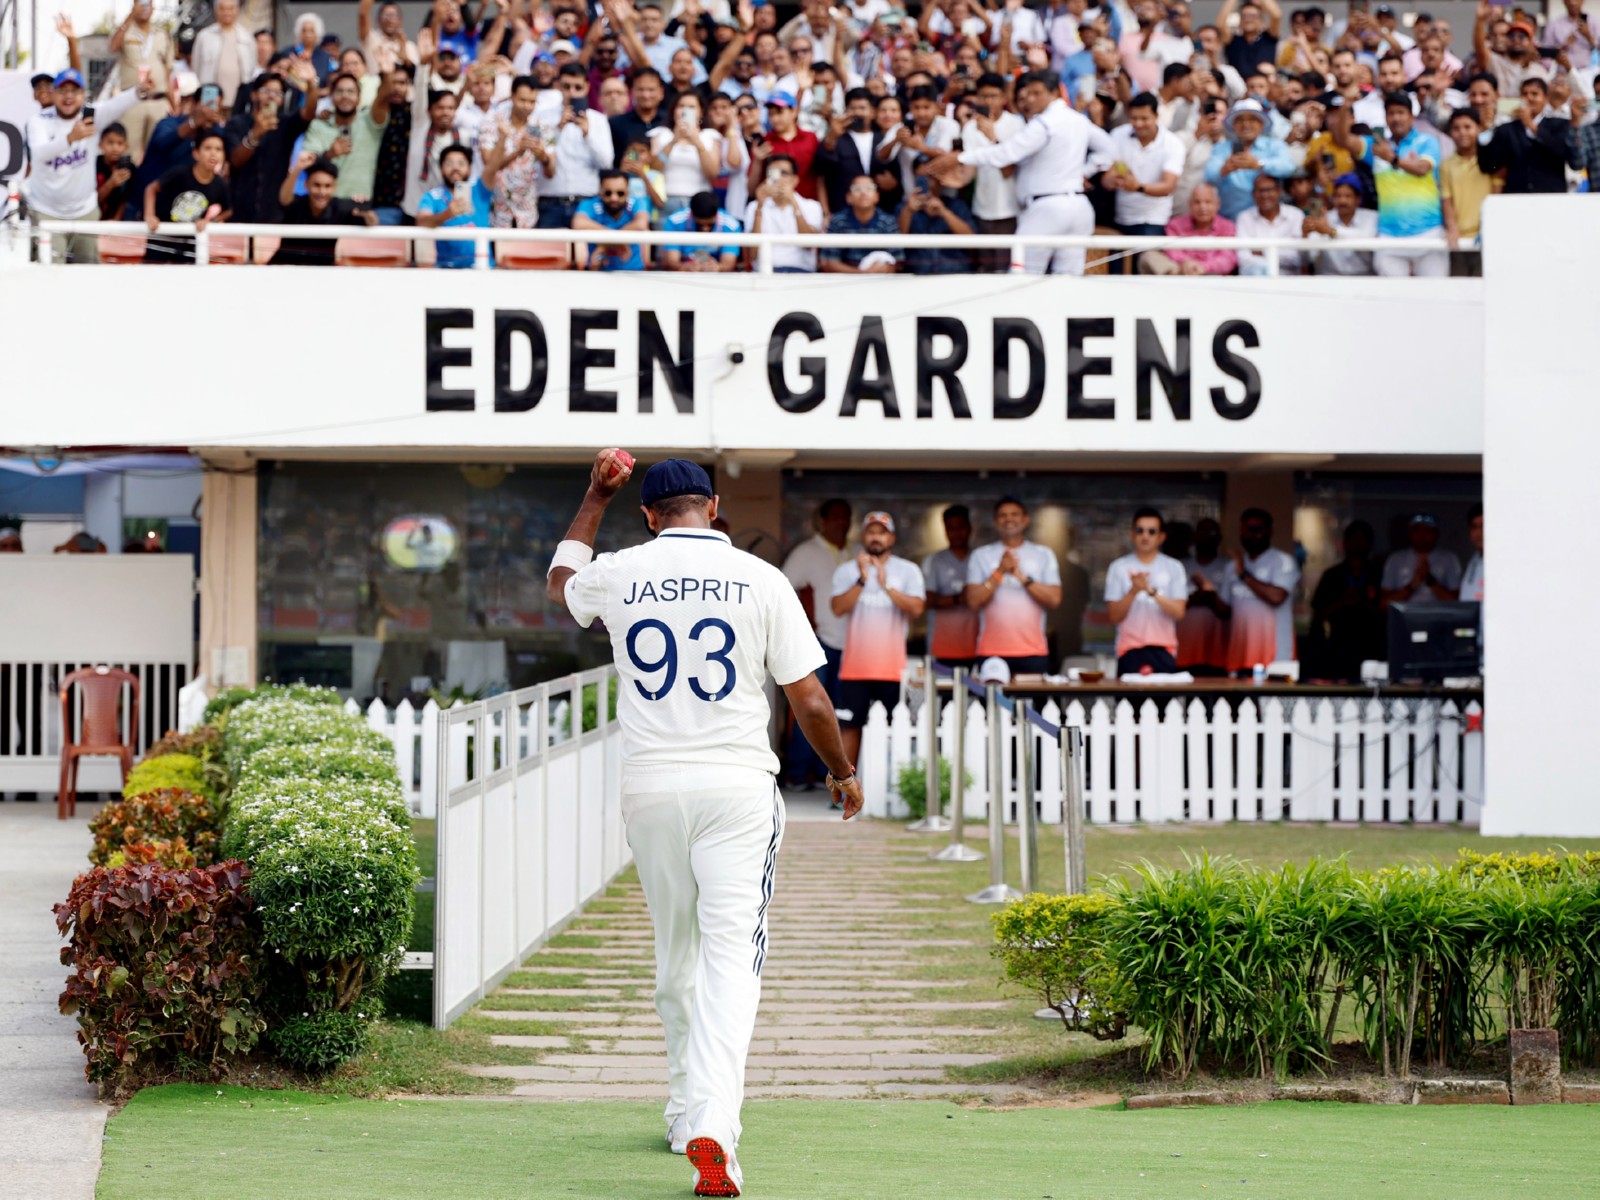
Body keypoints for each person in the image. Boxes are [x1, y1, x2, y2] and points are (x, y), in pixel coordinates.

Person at [548, 450, 861, 1198]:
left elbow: (561, 585)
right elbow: (810, 699)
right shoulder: (763, 579)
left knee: (675, 955)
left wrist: (594, 495)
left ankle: (684, 1103)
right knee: (731, 959)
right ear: (715, 506)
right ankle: (713, 1125)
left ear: (650, 515)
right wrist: (842, 774)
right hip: (736, 790)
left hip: (652, 789)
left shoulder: (623, 569)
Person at [929, 69, 1113, 275]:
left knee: (1022, 275)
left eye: (1037, 93)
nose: (1031, 99)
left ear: (1055, 93)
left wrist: (959, 157)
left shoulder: (1043, 123)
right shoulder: (1077, 119)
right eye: (1028, 94)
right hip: (1078, 207)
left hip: (1047, 208)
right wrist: (1083, 173)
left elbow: (1006, 154)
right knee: (1069, 279)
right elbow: (1109, 150)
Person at [829, 511, 926, 773]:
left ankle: (894, 783)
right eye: (871, 532)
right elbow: (837, 607)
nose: (876, 537)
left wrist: (887, 586)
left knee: (897, 726)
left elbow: (917, 608)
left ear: (891, 537)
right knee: (850, 726)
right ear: (863, 536)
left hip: (892, 668)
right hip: (855, 667)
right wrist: (862, 579)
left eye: (882, 532)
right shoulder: (847, 570)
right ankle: (844, 788)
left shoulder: (908, 570)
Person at [23, 68, 146, 262]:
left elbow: (117, 104)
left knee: (88, 276)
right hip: (47, 213)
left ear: (83, 95)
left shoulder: (92, 116)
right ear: (54, 94)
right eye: (63, 90)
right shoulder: (39, 121)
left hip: (85, 212)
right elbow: (38, 154)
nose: (69, 96)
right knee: (50, 274)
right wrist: (71, 138)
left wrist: (139, 91)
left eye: (75, 90)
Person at [781, 498, 854, 789]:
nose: (840, 523)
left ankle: (827, 774)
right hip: (818, 642)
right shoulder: (806, 552)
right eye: (834, 517)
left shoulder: (856, 552)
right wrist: (805, 622)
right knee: (810, 707)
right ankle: (798, 773)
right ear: (821, 521)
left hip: (853, 646)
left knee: (839, 712)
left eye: (845, 517)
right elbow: (783, 589)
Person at [1331, 91, 1446, 276]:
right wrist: (1345, 107)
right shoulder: (1376, 147)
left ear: (1411, 117)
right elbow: (1343, 139)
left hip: (1428, 233)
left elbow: (1422, 168)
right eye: (1391, 113)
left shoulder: (1427, 141)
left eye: (1401, 113)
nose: (1396, 118)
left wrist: (1392, 158)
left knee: (1435, 298)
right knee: (1391, 300)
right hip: (1390, 237)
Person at [964, 496, 1064, 675]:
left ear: (1025, 520)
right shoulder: (981, 555)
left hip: (1033, 651)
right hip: (991, 651)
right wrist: (999, 572)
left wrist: (1021, 577)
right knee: (992, 703)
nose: (1009, 519)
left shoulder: (1043, 554)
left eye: (1014, 514)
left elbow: (1054, 600)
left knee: (1032, 704)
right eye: (1003, 515)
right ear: (995, 522)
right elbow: (973, 601)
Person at [1104, 508, 1189, 676]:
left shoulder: (1174, 567)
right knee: (1127, 703)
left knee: (1163, 703)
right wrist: (1134, 591)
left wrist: (1151, 592)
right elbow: (1113, 616)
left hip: (1163, 650)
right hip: (1129, 650)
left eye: (1151, 531)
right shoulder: (1118, 567)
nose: (1145, 536)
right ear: (1132, 534)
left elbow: (1179, 612)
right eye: (1140, 530)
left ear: (1161, 537)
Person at [225, 69, 316, 223]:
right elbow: (236, 160)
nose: (272, 96)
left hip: (274, 212)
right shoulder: (237, 123)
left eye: (278, 93)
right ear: (254, 95)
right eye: (266, 91)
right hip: (240, 209)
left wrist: (312, 84)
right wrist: (256, 133)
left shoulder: (286, 124)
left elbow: (309, 113)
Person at [1106, 91, 1185, 268]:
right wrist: (1113, 180)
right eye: (1134, 118)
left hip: (1153, 220)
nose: (1138, 124)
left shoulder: (1173, 143)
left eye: (1144, 118)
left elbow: (1168, 186)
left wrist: (1138, 187)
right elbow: (1106, 178)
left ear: (1156, 116)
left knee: (1145, 274)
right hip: (1120, 218)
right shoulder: (1118, 135)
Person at [1219, 507, 1300, 673]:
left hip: (1276, 659)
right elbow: (1224, 610)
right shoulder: (1231, 567)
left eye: (1257, 529)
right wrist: (1205, 592)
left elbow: (1277, 597)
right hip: (1239, 658)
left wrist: (1244, 575)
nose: (1252, 534)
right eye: (1247, 529)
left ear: (1269, 531)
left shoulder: (1283, 561)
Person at [1305, 519, 1385, 682]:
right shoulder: (1332, 575)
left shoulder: (1378, 574)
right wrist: (1341, 602)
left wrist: (1361, 602)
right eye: (1353, 538)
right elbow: (1318, 614)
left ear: (1370, 543)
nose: (1357, 543)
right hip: (1337, 647)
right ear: (1345, 543)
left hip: (1372, 645)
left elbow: (1386, 611)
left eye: (1362, 539)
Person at [540, 62, 615, 229]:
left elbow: (606, 163)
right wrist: (558, 129)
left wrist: (588, 134)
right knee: (551, 254)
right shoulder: (543, 117)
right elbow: (537, 157)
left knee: (586, 255)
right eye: (566, 87)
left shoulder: (598, 120)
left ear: (587, 87)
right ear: (558, 86)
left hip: (586, 203)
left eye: (577, 87)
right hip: (550, 202)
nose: (572, 93)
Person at [142, 127, 232, 264]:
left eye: (218, 149)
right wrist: (150, 215)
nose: (213, 154)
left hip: (188, 244)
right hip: (161, 238)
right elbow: (152, 188)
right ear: (196, 153)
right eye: (207, 148)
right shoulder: (179, 174)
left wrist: (210, 221)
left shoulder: (220, 184)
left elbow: (229, 210)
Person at [1476, 74, 1577, 194]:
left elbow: (1563, 152)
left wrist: (1532, 127)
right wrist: (1485, 131)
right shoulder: (1506, 129)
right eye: (1524, 94)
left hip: (1551, 198)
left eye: (1534, 94)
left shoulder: (1560, 124)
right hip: (1517, 199)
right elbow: (1488, 166)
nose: (1529, 98)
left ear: (1545, 99)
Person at [271, 155, 379, 264]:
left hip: (323, 273)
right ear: (306, 185)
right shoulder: (298, 204)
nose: (322, 192)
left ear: (334, 187)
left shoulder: (340, 208)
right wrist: (297, 169)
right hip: (285, 269)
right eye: (316, 185)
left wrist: (366, 214)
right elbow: (284, 200)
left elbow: (370, 221)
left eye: (327, 186)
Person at [1204, 96, 1295, 219]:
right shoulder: (1221, 148)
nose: (1246, 124)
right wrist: (1224, 170)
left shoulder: (1275, 145)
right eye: (1240, 120)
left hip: (1267, 221)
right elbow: (1209, 176)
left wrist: (1259, 164)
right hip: (1231, 219)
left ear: (1261, 124)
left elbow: (1288, 167)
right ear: (1233, 125)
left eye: (1252, 120)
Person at [300, 72, 384, 202]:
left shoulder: (370, 121)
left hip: (361, 201)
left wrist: (387, 72)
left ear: (359, 98)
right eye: (339, 91)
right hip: (326, 202)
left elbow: (383, 99)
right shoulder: (318, 125)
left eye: (351, 92)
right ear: (332, 96)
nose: (345, 96)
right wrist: (329, 155)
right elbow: (307, 165)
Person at [108, 1, 176, 160]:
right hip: (133, 100)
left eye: (148, 3)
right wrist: (130, 16)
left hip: (158, 100)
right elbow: (112, 47)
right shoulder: (126, 31)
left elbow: (168, 74)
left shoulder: (163, 34)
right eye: (141, 3)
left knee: (158, 151)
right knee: (128, 152)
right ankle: (128, 183)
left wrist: (174, 105)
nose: (145, 7)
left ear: (153, 7)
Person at [1441, 108, 1499, 275]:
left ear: (1478, 128)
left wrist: (1489, 226)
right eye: (1456, 128)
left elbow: (1496, 194)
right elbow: (1447, 199)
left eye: (1468, 127)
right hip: (1459, 239)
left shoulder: (1490, 161)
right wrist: (1452, 227)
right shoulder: (1447, 165)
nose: (1462, 133)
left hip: (1486, 236)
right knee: (1460, 290)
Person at [743, 154, 824, 272]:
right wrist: (760, 206)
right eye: (773, 173)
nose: (778, 178)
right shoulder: (754, 207)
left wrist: (794, 203)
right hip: (765, 271)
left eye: (784, 173)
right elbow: (753, 253)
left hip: (801, 271)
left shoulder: (812, 206)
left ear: (795, 180)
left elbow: (808, 245)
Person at [415, 143, 491, 268]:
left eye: (461, 163)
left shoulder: (480, 190)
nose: (455, 168)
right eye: (449, 164)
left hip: (482, 267)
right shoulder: (432, 197)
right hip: (447, 269)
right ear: (441, 170)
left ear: (470, 168)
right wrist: (447, 214)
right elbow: (422, 221)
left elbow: (493, 168)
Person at [923, 505, 979, 668]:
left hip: (976, 648)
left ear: (969, 528)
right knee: (941, 693)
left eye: (960, 527)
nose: (956, 533)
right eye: (950, 528)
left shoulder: (980, 559)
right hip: (941, 648)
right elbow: (927, 600)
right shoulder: (934, 561)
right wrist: (960, 598)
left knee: (975, 693)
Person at [1139, 182, 1237, 274]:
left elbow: (1228, 258)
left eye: (1208, 202)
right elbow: (1171, 251)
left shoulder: (1228, 226)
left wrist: (1203, 267)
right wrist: (1187, 263)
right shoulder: (1175, 224)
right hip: (1180, 270)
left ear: (1217, 204)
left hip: (1210, 273)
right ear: (1189, 204)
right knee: (1149, 256)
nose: (1202, 207)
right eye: (1197, 202)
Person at [1176, 517, 1230, 675]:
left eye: (1212, 532)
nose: (1207, 536)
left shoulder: (1229, 567)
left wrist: (1209, 593)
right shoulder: (1180, 567)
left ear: (1219, 538)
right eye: (1202, 531)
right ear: (1194, 537)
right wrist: (1201, 593)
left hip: (1219, 653)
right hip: (1185, 652)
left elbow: (1227, 611)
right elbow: (1175, 609)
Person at [899, 167, 976, 274]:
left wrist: (944, 212)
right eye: (921, 179)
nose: (927, 184)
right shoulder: (904, 208)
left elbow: (972, 240)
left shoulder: (956, 206)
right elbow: (896, 243)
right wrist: (908, 211)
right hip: (918, 275)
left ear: (940, 182)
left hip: (954, 272)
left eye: (930, 178)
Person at [820, 175, 900, 272]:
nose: (863, 193)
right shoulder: (838, 221)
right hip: (844, 282)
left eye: (869, 188)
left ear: (877, 196)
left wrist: (884, 269)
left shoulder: (888, 221)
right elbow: (828, 262)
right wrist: (862, 274)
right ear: (848, 197)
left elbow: (898, 260)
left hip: (881, 282)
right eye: (857, 189)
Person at [1380, 512, 1462, 607]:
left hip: (1438, 618)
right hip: (1405, 619)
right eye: (1417, 530)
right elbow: (1384, 604)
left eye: (1428, 530)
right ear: (1410, 533)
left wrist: (1430, 580)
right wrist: (1413, 585)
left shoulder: (1449, 559)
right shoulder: (1396, 559)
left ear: (1436, 533)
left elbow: (1457, 604)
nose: (1422, 535)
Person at [573, 169, 648, 270]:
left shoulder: (636, 202)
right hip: (598, 272)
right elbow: (578, 223)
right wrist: (617, 241)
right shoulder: (589, 204)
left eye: (620, 193)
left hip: (633, 272)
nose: (614, 198)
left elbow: (641, 224)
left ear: (628, 193)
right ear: (600, 193)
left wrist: (604, 245)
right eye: (608, 193)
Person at [191, 0, 258, 113]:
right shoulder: (205, 36)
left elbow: (252, 66)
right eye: (222, 9)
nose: (227, 13)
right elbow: (196, 66)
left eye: (231, 9)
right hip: (211, 98)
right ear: (215, 11)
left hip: (239, 101)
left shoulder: (247, 37)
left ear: (237, 11)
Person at [1304, 174, 1377, 274]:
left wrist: (1331, 231)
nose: (1342, 201)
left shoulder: (1371, 217)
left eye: (1348, 196)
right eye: (1338, 196)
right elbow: (1311, 255)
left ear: (1358, 199)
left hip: (1362, 279)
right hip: (1329, 280)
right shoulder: (1325, 218)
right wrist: (1305, 233)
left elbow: (1366, 238)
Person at [1234, 171, 1303, 274]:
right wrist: (1281, 254)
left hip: (1290, 280)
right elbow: (1243, 258)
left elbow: (1298, 257)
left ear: (1279, 191)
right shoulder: (1244, 218)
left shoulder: (1295, 215)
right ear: (1253, 194)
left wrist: (1265, 252)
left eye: (1269, 190)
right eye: (1260, 191)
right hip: (1256, 280)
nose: (1264, 195)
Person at [659, 191, 742, 271]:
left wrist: (718, 267)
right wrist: (686, 268)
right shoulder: (675, 222)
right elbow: (671, 262)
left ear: (716, 214)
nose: (705, 229)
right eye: (699, 225)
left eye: (710, 225)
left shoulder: (731, 225)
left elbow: (728, 263)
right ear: (691, 213)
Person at [95, 124, 137, 220]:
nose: (115, 148)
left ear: (126, 146)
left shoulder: (129, 168)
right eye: (110, 142)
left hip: (117, 221)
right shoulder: (94, 165)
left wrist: (115, 220)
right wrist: (110, 184)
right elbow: (91, 202)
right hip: (94, 218)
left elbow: (126, 199)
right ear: (100, 145)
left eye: (120, 143)